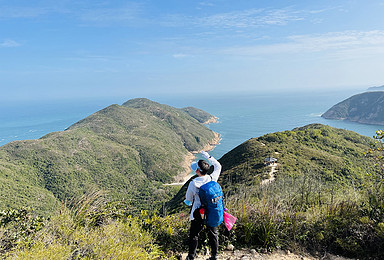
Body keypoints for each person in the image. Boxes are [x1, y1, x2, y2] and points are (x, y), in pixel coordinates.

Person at [184, 151, 222, 260]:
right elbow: (218, 166)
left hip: (198, 213)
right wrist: (208, 157)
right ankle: (214, 256)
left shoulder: (193, 183)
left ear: (197, 171)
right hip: (211, 211)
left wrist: (188, 202)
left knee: (194, 234)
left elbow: (188, 199)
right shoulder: (212, 178)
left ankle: (191, 256)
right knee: (213, 233)